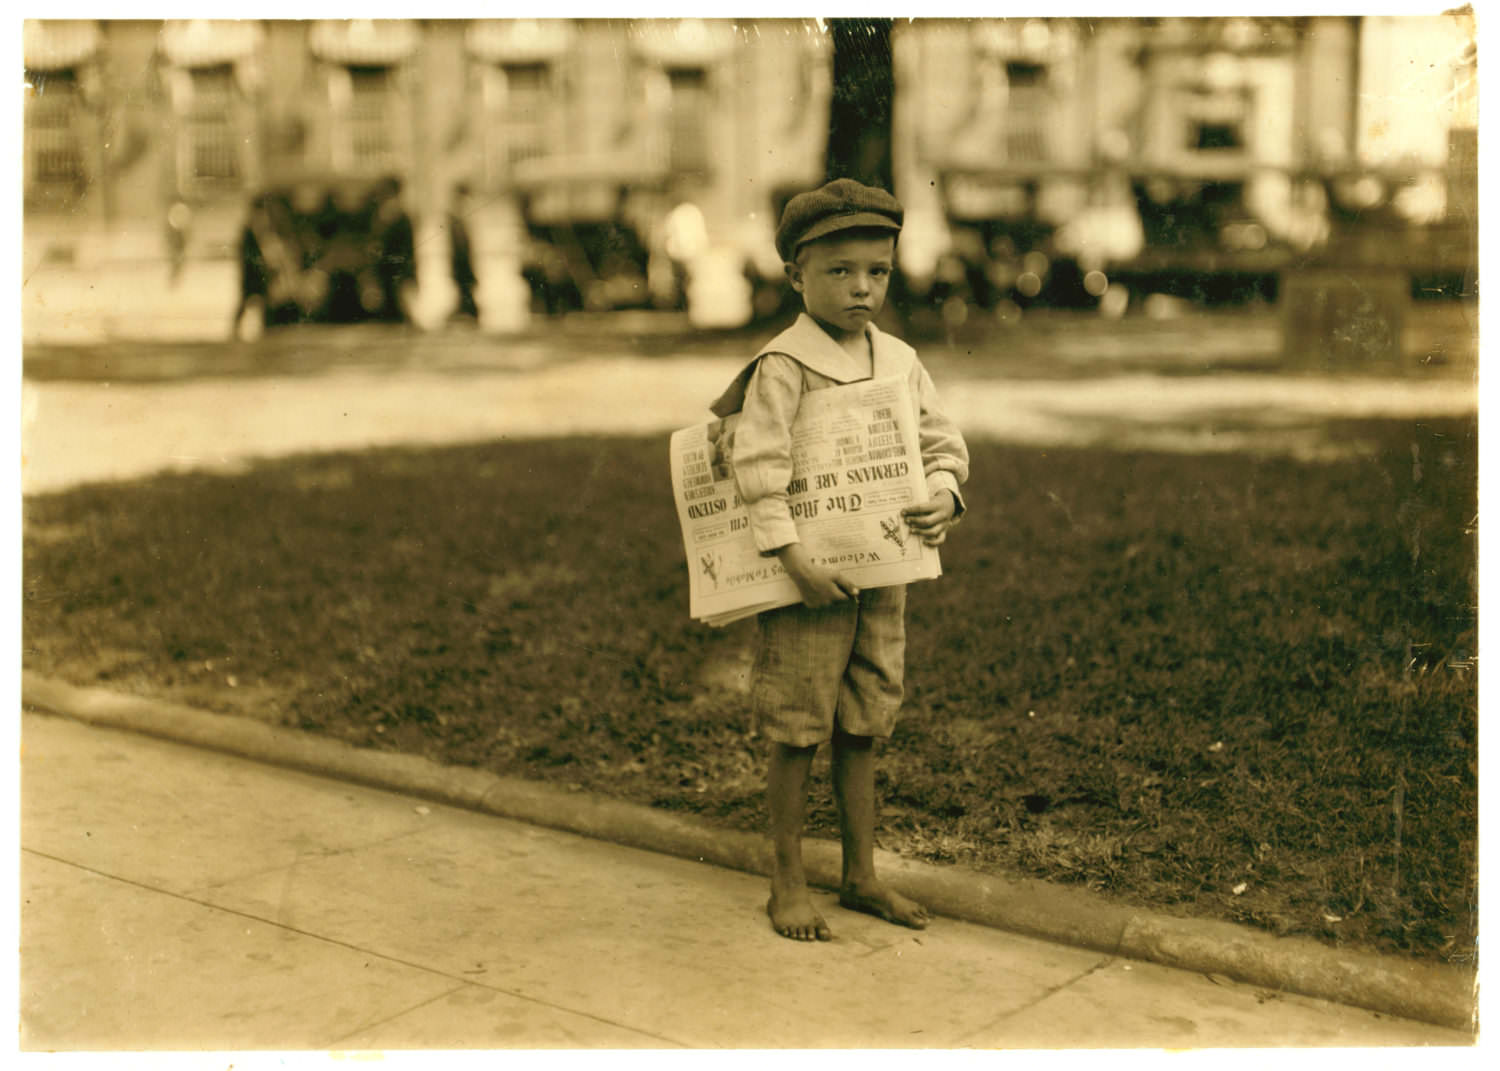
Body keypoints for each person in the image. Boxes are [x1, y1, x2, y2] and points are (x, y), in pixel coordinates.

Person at [707, 178, 970, 942]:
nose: (862, 288)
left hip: (883, 576)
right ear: (795, 274)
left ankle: (862, 873)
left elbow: (941, 443)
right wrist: (792, 558)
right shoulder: (784, 364)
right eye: (839, 271)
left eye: (877, 272)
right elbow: (758, 466)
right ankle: (786, 879)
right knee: (797, 725)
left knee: (865, 720)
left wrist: (946, 493)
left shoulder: (898, 358)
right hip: (807, 583)